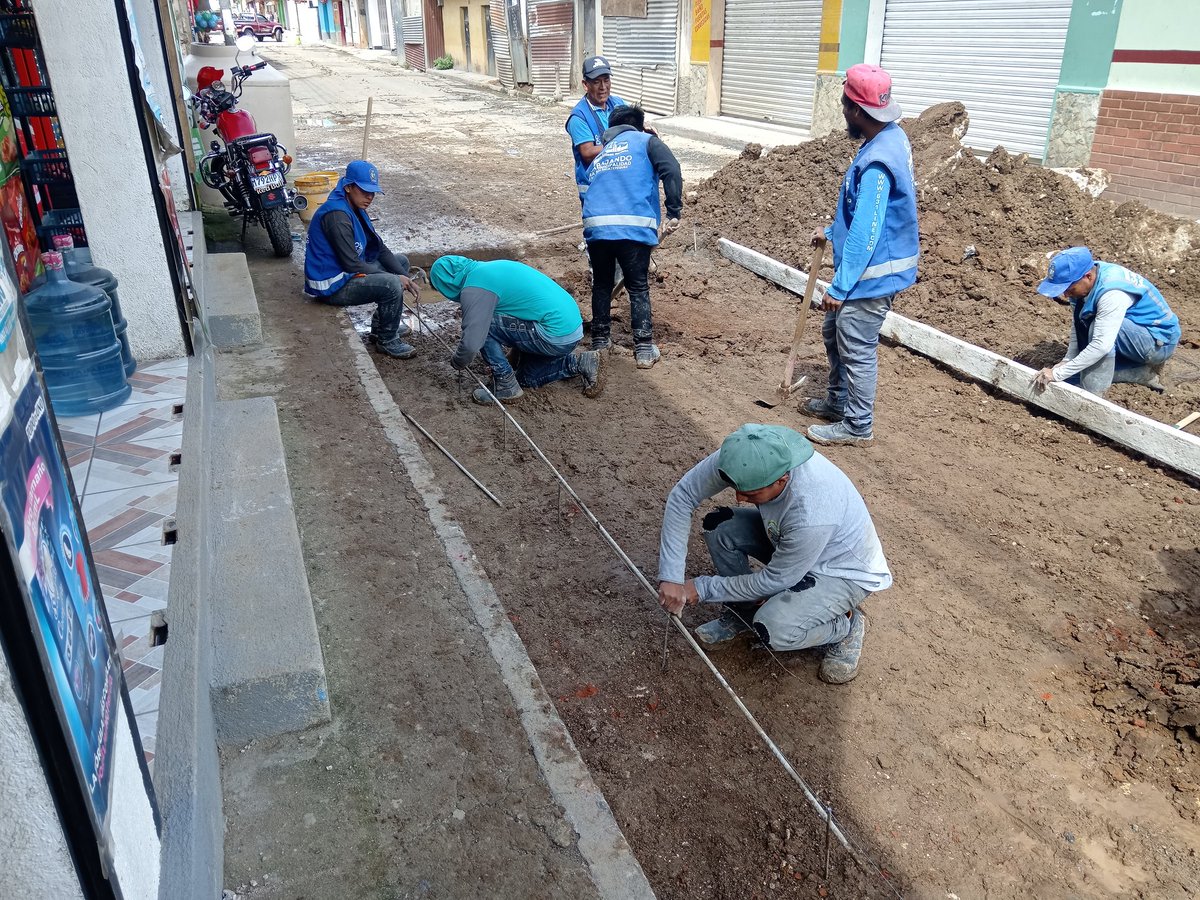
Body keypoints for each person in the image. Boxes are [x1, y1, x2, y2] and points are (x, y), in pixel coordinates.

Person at [657, 424, 891, 684]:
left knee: (774, 629)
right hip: (790, 545)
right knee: (719, 526)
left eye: (751, 493)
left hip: (839, 571)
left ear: (782, 480)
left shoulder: (812, 511)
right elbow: (683, 496)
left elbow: (775, 580)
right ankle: (742, 613)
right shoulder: (748, 454)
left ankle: (844, 625)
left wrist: (702, 588)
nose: (738, 497)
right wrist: (671, 575)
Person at [803, 64, 919, 447]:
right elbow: (861, 215)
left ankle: (857, 425)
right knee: (833, 331)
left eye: (843, 105)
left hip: (874, 272)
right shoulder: (889, 137)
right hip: (871, 266)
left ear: (857, 109)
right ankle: (838, 402)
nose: (841, 112)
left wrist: (840, 285)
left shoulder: (878, 163)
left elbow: (868, 232)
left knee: (855, 341)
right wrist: (832, 230)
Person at [582, 104, 682, 368]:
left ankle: (601, 342)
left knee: (602, 285)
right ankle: (644, 350)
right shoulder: (646, 141)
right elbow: (671, 168)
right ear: (640, 124)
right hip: (632, 229)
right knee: (638, 287)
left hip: (597, 228)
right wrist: (674, 211)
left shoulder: (603, 153)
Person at [430, 256, 606, 404]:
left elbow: (471, 342)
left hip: (552, 335)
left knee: (484, 323)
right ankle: (579, 363)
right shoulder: (491, 267)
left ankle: (505, 385)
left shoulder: (475, 288)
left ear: (445, 284)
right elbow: (520, 313)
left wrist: (458, 362)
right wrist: (512, 359)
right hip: (570, 330)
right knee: (525, 379)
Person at [304, 160, 421, 359]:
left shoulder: (355, 206)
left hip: (344, 271)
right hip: (332, 284)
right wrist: (397, 280)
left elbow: (380, 248)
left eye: (373, 192)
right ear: (348, 187)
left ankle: (380, 326)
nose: (370, 197)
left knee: (400, 263)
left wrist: (404, 276)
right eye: (365, 191)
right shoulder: (337, 215)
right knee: (392, 283)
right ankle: (387, 340)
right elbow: (351, 264)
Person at [1033, 246, 1180, 396]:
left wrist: (1057, 374)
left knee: (1097, 328)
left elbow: (1101, 345)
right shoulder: (1082, 279)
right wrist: (1067, 360)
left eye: (1069, 289)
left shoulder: (1112, 294)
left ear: (1088, 277)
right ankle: (1136, 371)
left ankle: (1094, 392)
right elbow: (1077, 322)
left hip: (1158, 342)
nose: (1065, 294)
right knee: (1089, 332)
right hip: (1134, 331)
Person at [565, 56, 627, 203]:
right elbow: (587, 153)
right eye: (596, 82)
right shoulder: (579, 117)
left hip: (619, 185)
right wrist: (622, 144)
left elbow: (634, 125)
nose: (603, 87)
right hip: (595, 191)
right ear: (586, 85)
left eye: (606, 80)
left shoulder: (618, 103)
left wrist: (644, 126)